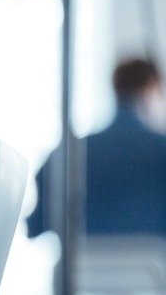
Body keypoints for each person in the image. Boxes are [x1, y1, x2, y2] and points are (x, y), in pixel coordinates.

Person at [27, 56, 166, 239]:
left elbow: (35, 226)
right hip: (155, 265)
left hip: (80, 266)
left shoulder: (67, 154)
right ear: (150, 88)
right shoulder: (160, 152)